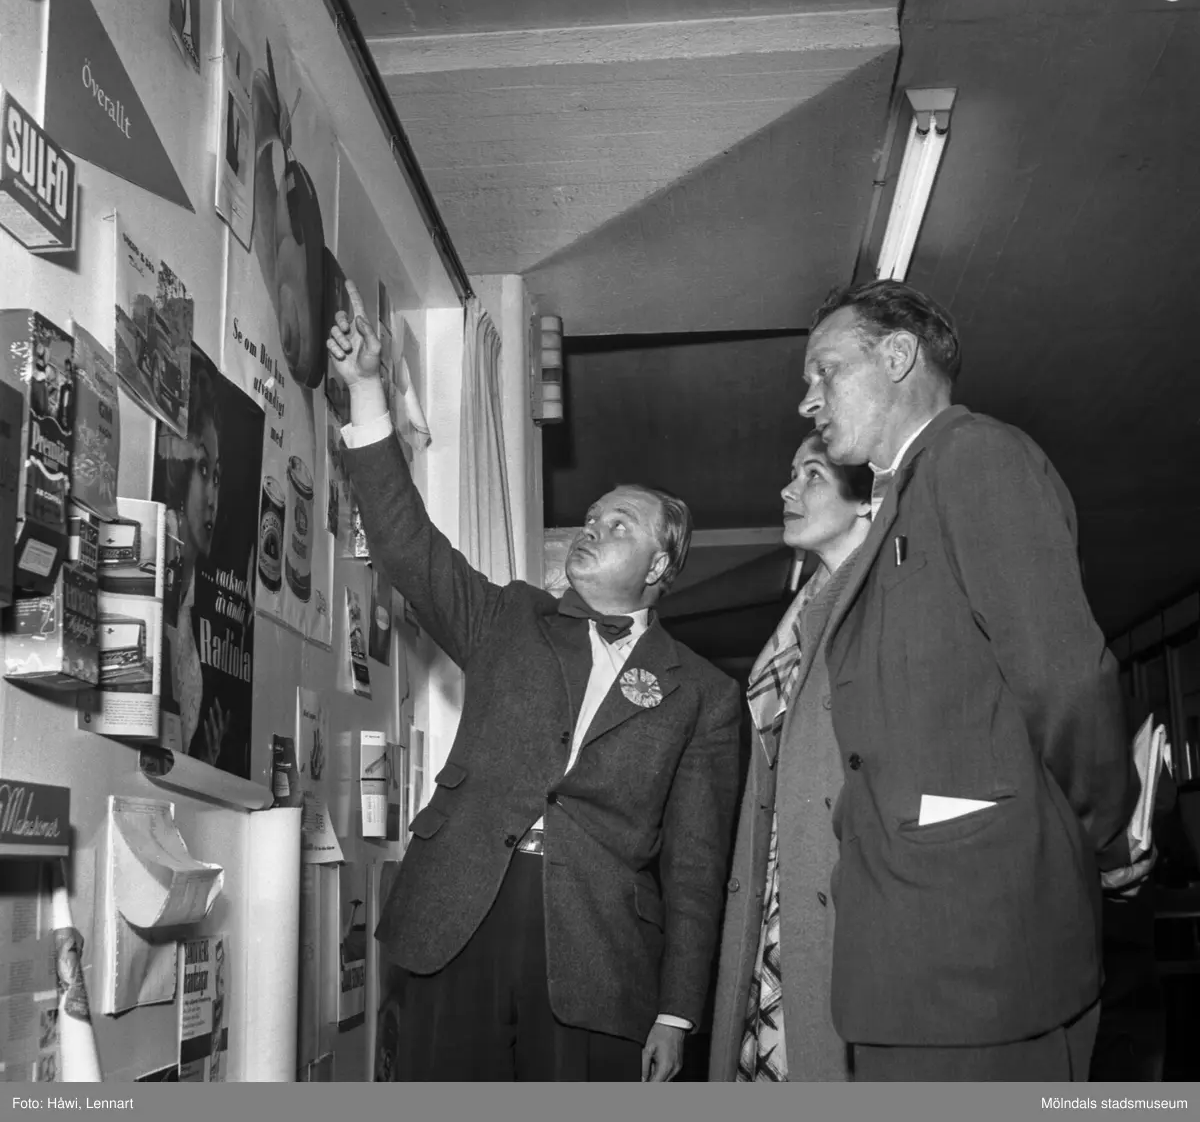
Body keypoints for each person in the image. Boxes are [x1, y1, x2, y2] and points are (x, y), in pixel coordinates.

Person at [327, 281, 740, 1082]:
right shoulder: (510, 617)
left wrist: (676, 1010)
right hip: (458, 917)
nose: (593, 528)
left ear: (659, 563)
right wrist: (367, 390)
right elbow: (410, 549)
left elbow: (696, 866)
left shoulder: (703, 694)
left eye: (619, 525)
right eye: (591, 517)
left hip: (597, 957)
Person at [797, 278, 1142, 1081]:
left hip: (984, 964)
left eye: (824, 371)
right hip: (906, 965)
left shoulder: (977, 457)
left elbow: (1064, 676)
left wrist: (1105, 834)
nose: (808, 400)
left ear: (898, 354)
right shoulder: (899, 500)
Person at [710, 431, 873, 1082]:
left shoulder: (887, 601)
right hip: (780, 892)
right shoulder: (804, 610)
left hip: (845, 896)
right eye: (792, 473)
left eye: (812, 475)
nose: (787, 489)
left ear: (867, 501)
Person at [159, 362, 229, 765]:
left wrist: (203, 760)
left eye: (217, 476)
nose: (213, 498)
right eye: (204, 468)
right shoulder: (158, 563)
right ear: (180, 469)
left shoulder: (190, 600)